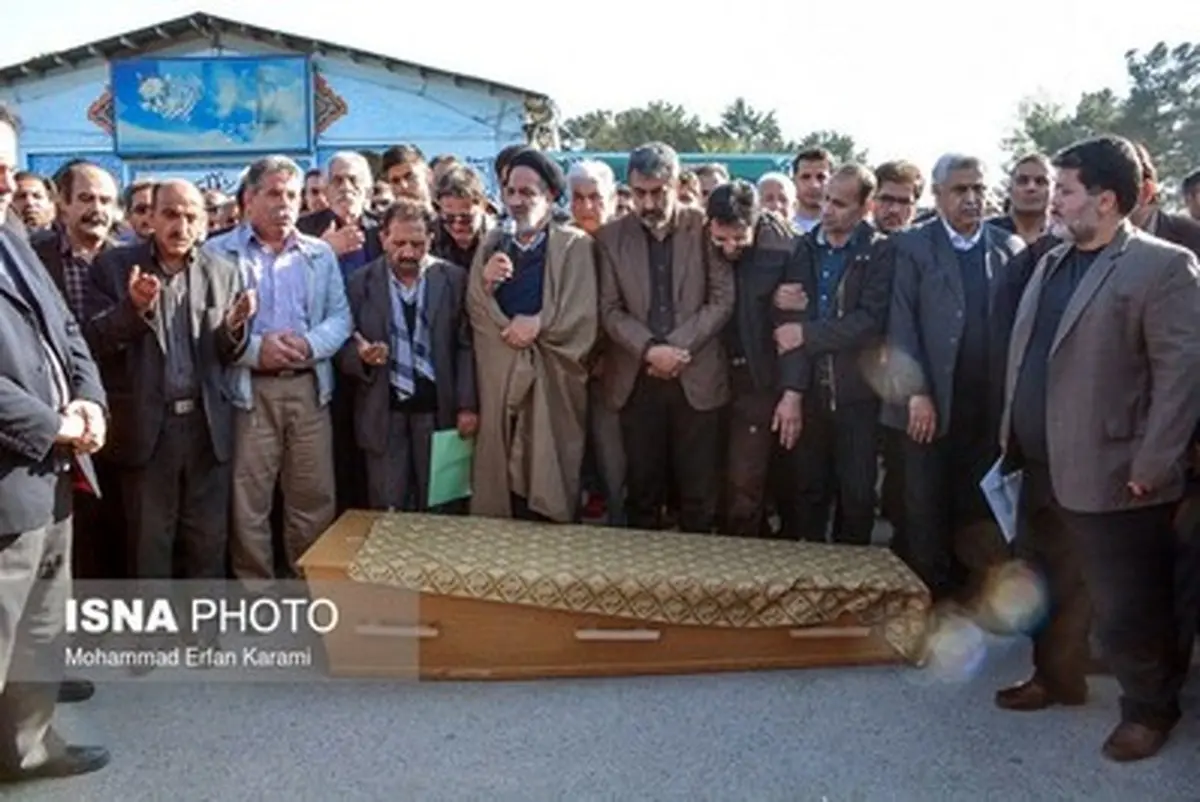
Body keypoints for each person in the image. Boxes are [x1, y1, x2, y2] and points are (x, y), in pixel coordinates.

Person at [999, 135, 1200, 762]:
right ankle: (1055, 678)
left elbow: (1182, 372)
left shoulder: (1163, 266)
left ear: (1106, 200)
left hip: (1116, 472)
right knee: (1047, 583)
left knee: (1126, 603)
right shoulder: (1051, 258)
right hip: (1039, 462)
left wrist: (1154, 462)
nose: (1052, 201)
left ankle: (1149, 709)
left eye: (1065, 190)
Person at [0, 102, 109, 782]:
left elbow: (64, 329)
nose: (5, 185)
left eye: (9, 168)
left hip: (53, 470)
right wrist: (51, 424)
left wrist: (90, 400)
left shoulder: (12, 232)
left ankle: (25, 749)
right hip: (11, 468)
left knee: (42, 619)